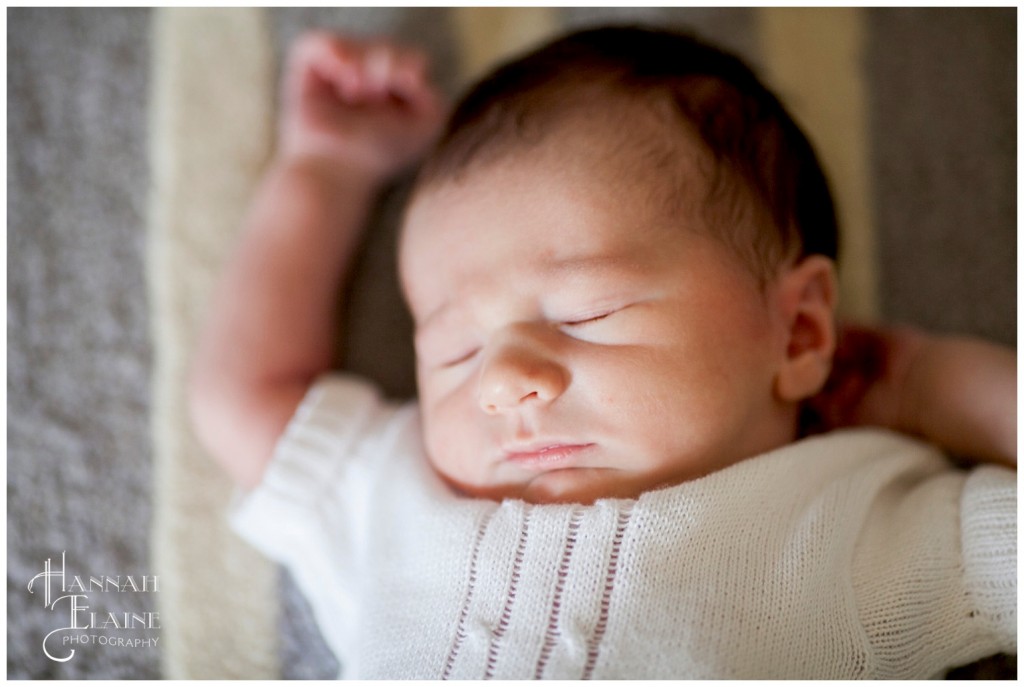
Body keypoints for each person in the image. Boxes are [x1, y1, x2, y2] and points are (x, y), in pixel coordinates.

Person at [189, 26, 1016, 679]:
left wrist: (935, 387)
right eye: (455, 348)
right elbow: (245, 394)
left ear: (798, 330)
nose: (504, 382)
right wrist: (325, 170)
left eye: (589, 313)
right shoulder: (392, 495)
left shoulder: (852, 526)